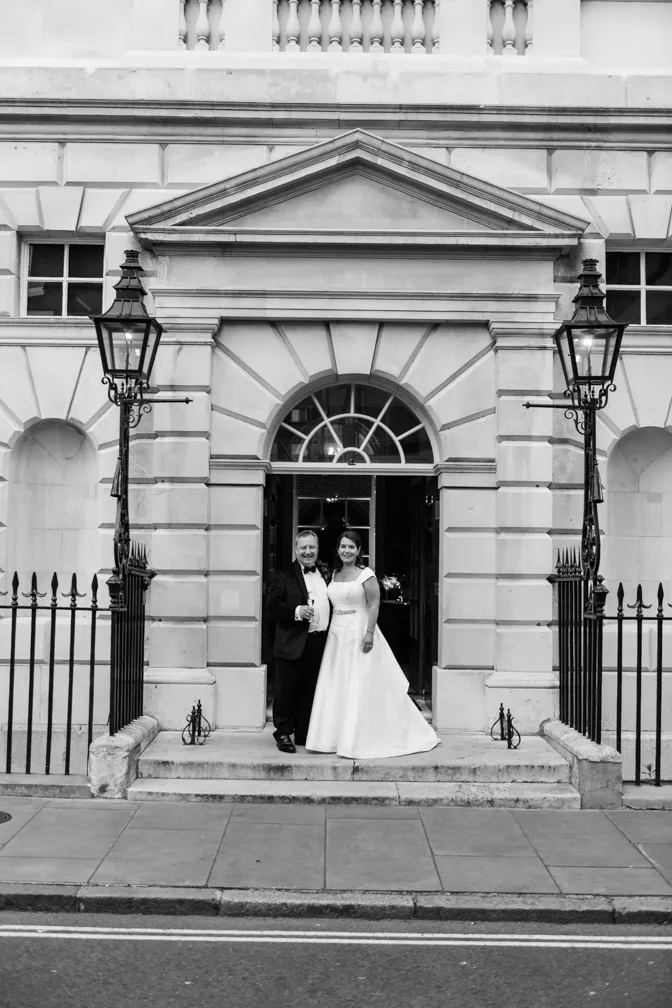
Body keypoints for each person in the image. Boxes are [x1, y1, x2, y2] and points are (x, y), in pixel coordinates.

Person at [306, 530, 440, 759]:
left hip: (359, 630)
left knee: (359, 682)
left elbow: (374, 605)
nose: (346, 550)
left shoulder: (365, 574)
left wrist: (369, 633)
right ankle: (332, 737)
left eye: (351, 547)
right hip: (336, 633)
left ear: (359, 551)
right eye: (343, 546)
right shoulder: (335, 573)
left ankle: (358, 738)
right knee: (336, 682)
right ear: (338, 550)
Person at [267, 529, 331, 753]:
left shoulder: (325, 573)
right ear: (296, 549)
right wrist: (296, 610)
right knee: (286, 688)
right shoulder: (283, 573)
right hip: (292, 641)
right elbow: (272, 606)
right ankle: (283, 732)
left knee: (310, 688)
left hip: (319, 641)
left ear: (318, 549)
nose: (307, 552)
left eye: (312, 547)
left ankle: (303, 731)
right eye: (303, 547)